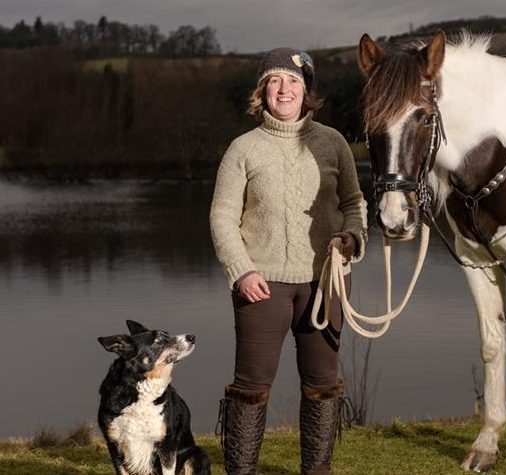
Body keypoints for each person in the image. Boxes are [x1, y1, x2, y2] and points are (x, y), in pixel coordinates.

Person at [210, 47, 367, 475]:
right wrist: (241, 271)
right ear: (262, 92)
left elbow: (354, 201)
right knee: (251, 388)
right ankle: (240, 471)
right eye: (275, 82)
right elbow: (222, 217)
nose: (285, 89)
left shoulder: (333, 142)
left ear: (306, 91)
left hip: (327, 283)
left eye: (294, 81)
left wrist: (353, 236)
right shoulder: (243, 148)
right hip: (262, 285)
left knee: (323, 387)